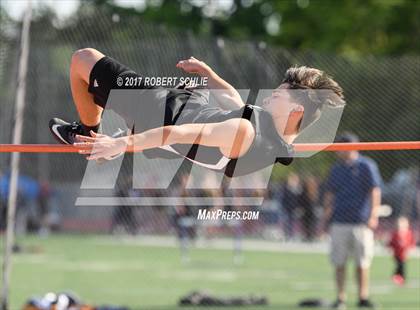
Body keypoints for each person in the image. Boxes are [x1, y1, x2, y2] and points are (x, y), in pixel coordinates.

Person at [49, 48, 345, 177]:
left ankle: (89, 134)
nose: (273, 93)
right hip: (188, 107)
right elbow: (232, 100)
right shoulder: (273, 138)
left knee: (81, 60)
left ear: (295, 109)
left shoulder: (245, 132)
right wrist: (210, 75)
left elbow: (176, 133)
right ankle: (123, 136)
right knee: (194, 85)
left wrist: (120, 145)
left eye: (280, 93)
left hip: (158, 111)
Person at [323, 132, 382, 309]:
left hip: (360, 221)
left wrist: (373, 215)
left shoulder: (366, 166)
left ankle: (363, 297)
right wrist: (326, 216)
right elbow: (330, 194)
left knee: (362, 262)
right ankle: (341, 298)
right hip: (339, 221)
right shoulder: (336, 168)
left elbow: (375, 191)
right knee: (339, 262)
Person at [388, 216, 416, 286]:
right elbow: (391, 243)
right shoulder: (395, 233)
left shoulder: (409, 233)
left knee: (402, 266)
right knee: (400, 265)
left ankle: (399, 277)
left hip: (404, 254)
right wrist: (390, 248)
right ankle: (399, 277)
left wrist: (410, 249)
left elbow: (411, 242)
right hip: (397, 254)